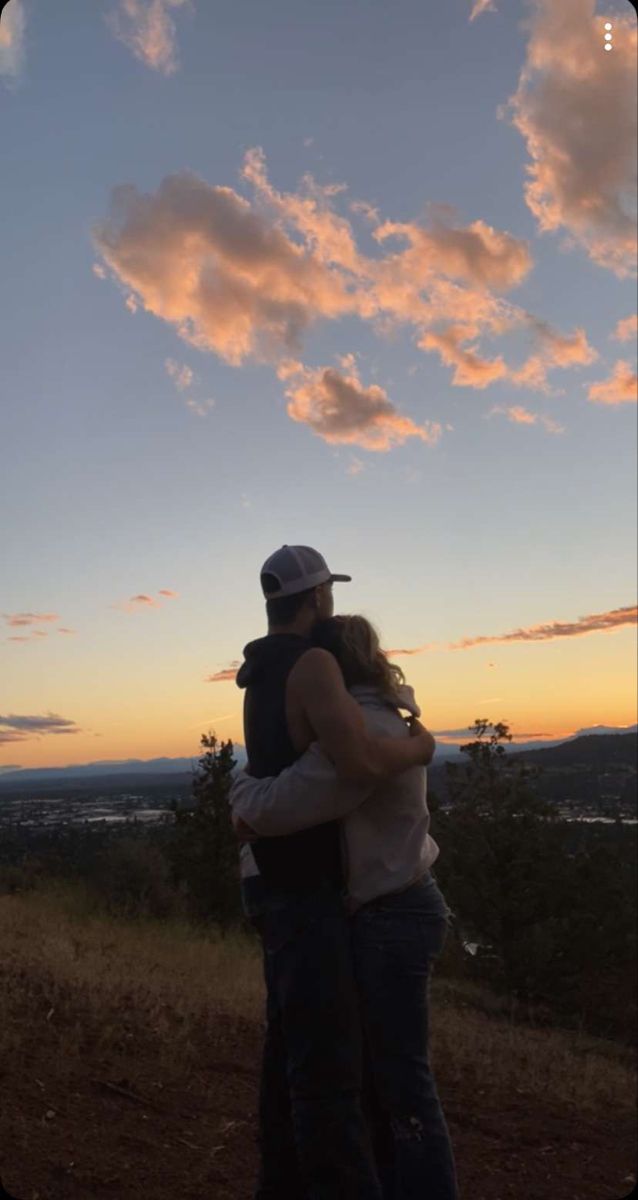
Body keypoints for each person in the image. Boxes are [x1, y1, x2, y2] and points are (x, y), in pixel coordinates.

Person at [232, 612, 459, 1200]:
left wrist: (240, 794)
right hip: (402, 905)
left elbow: (277, 805)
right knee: (387, 1079)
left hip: (389, 915)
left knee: (399, 1082)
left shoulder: (355, 732)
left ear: (328, 666)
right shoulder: (391, 719)